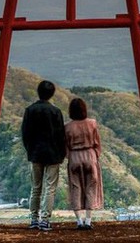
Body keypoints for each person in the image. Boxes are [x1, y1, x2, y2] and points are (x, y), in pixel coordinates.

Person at [21, 79, 66, 231]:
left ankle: (33, 219)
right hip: (53, 154)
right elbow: (61, 135)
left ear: (38, 92)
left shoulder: (30, 110)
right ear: (52, 94)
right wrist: (62, 154)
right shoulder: (56, 112)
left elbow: (25, 134)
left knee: (35, 187)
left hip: (35, 153)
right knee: (50, 188)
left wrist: (30, 150)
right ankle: (45, 220)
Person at [65, 97, 103, 229]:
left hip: (74, 157)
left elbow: (66, 147)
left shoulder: (67, 127)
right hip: (90, 156)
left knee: (75, 187)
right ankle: (88, 221)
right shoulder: (92, 123)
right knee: (91, 186)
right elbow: (97, 143)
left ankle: (79, 221)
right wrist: (95, 155)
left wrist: (70, 157)